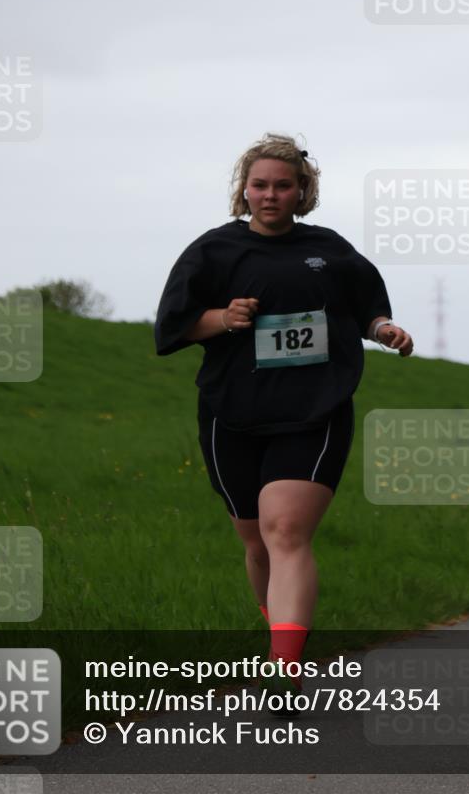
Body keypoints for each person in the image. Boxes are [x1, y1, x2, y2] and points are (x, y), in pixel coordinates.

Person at [154, 133, 414, 715]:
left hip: (314, 409)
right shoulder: (214, 251)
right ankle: (285, 642)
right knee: (257, 545)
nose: (270, 195)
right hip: (232, 412)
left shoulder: (329, 249)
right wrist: (221, 317)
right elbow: (171, 329)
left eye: (283, 185)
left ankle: (283, 674)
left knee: (286, 532)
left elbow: (368, 307)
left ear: (303, 192)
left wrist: (383, 329)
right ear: (244, 191)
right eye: (260, 185)